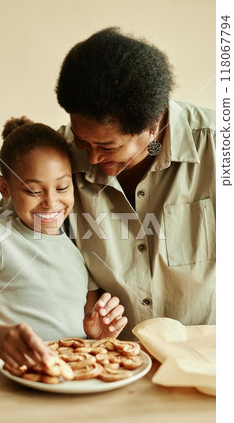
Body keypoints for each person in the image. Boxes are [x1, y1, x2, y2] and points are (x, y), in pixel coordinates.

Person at [53, 27, 215, 339]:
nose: (94, 159)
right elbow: (12, 240)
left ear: (154, 126)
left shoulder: (219, 147)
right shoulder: (56, 155)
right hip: (107, 362)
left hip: (210, 363)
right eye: (83, 142)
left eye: (108, 147)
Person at [0, 116, 128, 369]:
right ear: (4, 188)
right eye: (33, 191)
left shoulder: (80, 243)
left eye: (62, 187)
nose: (50, 203)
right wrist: (0, 336)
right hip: (18, 374)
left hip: (74, 375)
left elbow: (88, 323)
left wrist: (99, 336)